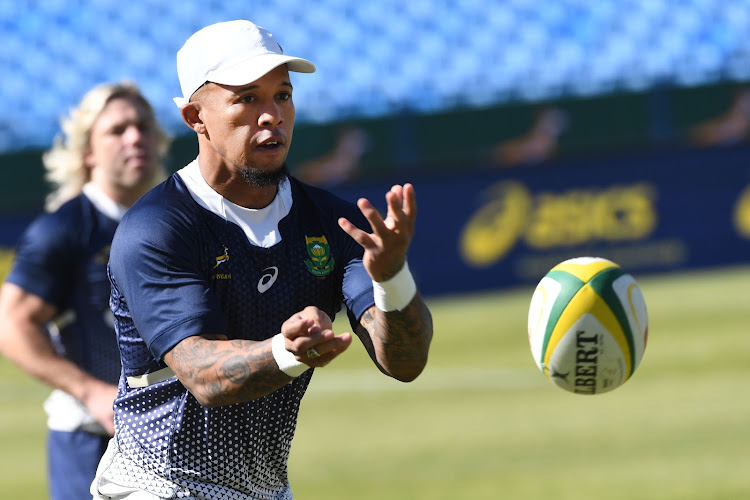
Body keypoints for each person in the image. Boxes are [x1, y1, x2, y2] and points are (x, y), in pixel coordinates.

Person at [89, 20, 433, 500]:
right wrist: (287, 351)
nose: (272, 115)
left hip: (264, 490)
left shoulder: (334, 222)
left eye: (283, 95)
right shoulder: (157, 227)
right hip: (156, 485)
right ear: (196, 117)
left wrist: (393, 279)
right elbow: (202, 373)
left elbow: (404, 362)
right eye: (246, 98)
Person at [0, 81, 169, 500]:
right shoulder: (63, 230)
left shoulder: (176, 221)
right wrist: (89, 392)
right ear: (88, 151)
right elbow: (11, 322)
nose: (135, 137)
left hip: (172, 438)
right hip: (91, 439)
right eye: (117, 129)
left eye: (144, 126)